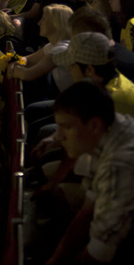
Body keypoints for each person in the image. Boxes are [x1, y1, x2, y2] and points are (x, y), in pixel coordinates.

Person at [49, 82, 134, 263]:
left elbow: (99, 253)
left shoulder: (118, 165)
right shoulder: (112, 127)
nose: (58, 136)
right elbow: (88, 209)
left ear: (94, 125)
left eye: (67, 127)